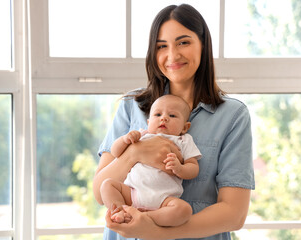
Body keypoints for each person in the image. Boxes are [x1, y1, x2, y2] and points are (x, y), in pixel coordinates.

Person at [93, 3, 255, 240]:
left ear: (203, 45)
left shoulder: (232, 116)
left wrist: (155, 230)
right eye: (161, 46)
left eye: (183, 42)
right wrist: (134, 153)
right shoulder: (132, 106)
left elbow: (234, 214)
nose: (172, 55)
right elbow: (100, 192)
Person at [100, 95, 201, 227]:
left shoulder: (184, 141)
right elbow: (115, 152)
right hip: (133, 193)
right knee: (107, 185)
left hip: (163, 200)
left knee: (184, 210)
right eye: (157, 114)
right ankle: (120, 210)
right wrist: (125, 140)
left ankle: (144, 217)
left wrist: (180, 169)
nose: (163, 118)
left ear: (185, 127)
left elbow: (193, 168)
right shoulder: (142, 135)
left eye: (172, 116)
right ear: (148, 122)